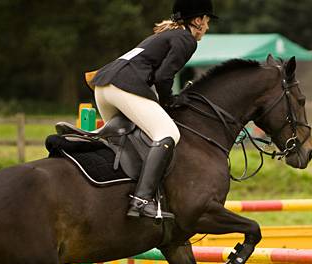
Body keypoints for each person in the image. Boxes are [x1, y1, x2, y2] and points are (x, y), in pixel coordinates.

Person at [90, 0, 217, 220]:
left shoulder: (164, 36)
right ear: (197, 21)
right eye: (206, 21)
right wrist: (169, 101)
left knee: (130, 140)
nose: (207, 27)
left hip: (103, 88)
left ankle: (116, 195)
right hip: (123, 87)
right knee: (168, 134)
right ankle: (141, 201)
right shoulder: (186, 39)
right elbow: (163, 77)